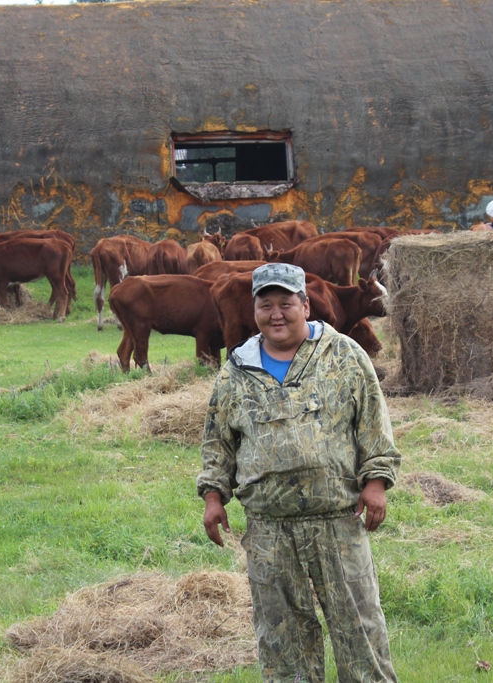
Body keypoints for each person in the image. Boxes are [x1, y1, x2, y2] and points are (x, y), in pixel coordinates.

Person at [197, 262, 401, 683]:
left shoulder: (343, 355)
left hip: (337, 521)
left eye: (286, 304)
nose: (276, 314)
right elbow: (218, 441)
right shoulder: (236, 369)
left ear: (305, 305)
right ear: (254, 310)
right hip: (269, 528)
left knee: (360, 630)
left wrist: (376, 482)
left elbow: (373, 425)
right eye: (266, 305)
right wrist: (214, 497)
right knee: (282, 640)